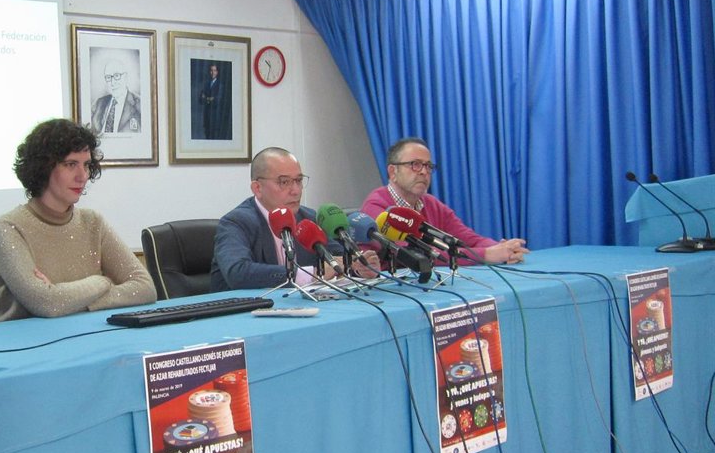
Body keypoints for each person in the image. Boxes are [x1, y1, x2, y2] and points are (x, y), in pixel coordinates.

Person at [0, 118, 155, 321]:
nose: (82, 176)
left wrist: (67, 298)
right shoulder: (9, 227)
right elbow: (46, 303)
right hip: (19, 338)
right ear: (43, 167)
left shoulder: (93, 222)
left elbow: (145, 288)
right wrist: (101, 282)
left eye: (86, 165)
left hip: (80, 332)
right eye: (70, 164)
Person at [210, 147, 373, 291]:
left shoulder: (309, 218)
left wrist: (360, 267)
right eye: (284, 182)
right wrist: (313, 274)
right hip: (243, 312)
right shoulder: (236, 222)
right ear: (257, 188)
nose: (295, 191)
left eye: (298, 180)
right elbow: (238, 273)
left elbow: (337, 258)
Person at [360, 137, 529, 264]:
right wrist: (486, 255)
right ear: (392, 172)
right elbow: (414, 254)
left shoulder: (431, 203)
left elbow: (469, 239)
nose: (424, 172)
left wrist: (502, 248)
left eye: (428, 166)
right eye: (415, 164)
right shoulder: (377, 207)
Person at [90, 58, 141, 134]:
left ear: (126, 77)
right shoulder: (98, 103)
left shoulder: (139, 104)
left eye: (117, 76)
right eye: (108, 77)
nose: (112, 82)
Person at [198, 62, 230, 139]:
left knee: (214, 137)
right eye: (211, 70)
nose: (213, 72)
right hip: (207, 116)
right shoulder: (206, 84)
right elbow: (200, 99)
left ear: (217, 72)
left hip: (215, 117)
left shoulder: (220, 85)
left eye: (214, 70)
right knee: (207, 136)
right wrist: (210, 98)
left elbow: (217, 100)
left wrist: (206, 98)